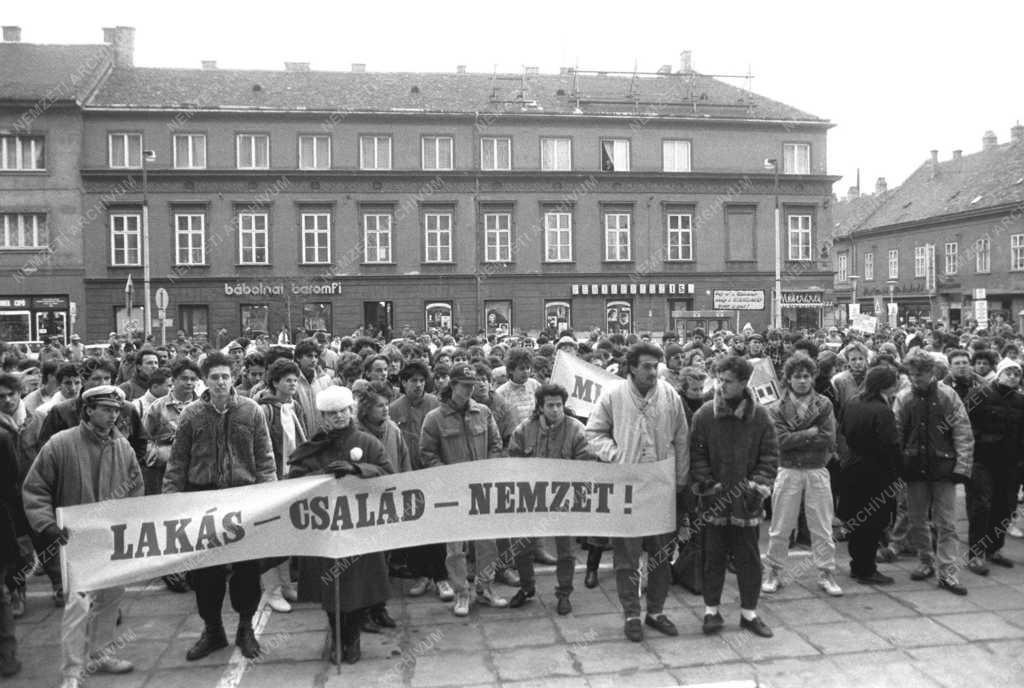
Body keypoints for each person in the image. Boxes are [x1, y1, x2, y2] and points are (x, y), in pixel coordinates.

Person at [23, 386, 143, 688]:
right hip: (75, 541)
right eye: (106, 408)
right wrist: (48, 525)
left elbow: (136, 487)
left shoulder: (123, 447)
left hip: (114, 539)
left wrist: (132, 522)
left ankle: (101, 655)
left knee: (112, 599)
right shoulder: (60, 444)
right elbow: (35, 489)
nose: (113, 414)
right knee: (78, 607)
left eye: (117, 410)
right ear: (88, 410)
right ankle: (72, 672)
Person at [164, 351, 276, 661]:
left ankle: (245, 629)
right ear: (205, 380)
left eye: (226, 376)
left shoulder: (251, 412)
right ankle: (212, 630)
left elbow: (265, 459)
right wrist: (171, 500)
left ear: (233, 376)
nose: (221, 382)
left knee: (247, 571)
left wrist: (268, 496)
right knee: (206, 574)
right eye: (215, 377)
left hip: (244, 499)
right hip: (204, 500)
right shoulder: (191, 415)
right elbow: (177, 461)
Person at [586, 342, 689, 642]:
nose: (652, 371)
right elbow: (593, 433)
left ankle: (655, 611)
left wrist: (680, 477)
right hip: (626, 485)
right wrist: (616, 456)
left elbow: (682, 437)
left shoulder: (669, 394)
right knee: (627, 556)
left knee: (660, 553)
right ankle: (631, 613)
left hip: (660, 484)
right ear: (631, 367)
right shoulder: (613, 394)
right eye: (646, 366)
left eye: (655, 366)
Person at [289, 386, 393, 664]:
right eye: (331, 413)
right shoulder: (313, 446)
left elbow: (388, 476)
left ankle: (353, 638)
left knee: (357, 590)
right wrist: (319, 476)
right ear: (323, 416)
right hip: (325, 531)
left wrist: (358, 470)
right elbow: (295, 480)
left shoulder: (368, 443)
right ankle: (336, 637)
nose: (338, 417)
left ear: (351, 411)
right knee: (330, 590)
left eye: (343, 411)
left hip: (360, 529)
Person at [690, 355, 778, 638]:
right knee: (712, 558)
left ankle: (749, 614)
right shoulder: (704, 415)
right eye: (719, 379)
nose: (721, 385)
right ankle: (711, 612)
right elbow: (697, 455)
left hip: (746, 504)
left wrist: (756, 488)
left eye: (728, 381)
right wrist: (709, 485)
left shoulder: (761, 416)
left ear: (743, 382)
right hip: (714, 502)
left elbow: (770, 456)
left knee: (749, 560)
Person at [420, 362, 509, 616]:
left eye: (473, 385)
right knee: (455, 548)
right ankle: (461, 592)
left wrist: (487, 471)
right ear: (453, 385)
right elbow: (427, 454)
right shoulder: (435, 418)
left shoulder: (483, 412)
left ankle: (486, 587)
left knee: (487, 542)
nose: (470, 389)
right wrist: (450, 477)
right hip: (452, 491)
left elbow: (495, 444)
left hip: (481, 488)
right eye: (465, 385)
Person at [507, 383, 597, 615]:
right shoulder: (525, 429)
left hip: (563, 499)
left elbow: (587, 463)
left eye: (559, 405)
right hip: (531, 497)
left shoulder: (577, 429)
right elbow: (513, 460)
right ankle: (527, 588)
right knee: (522, 547)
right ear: (540, 407)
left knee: (565, 551)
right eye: (550, 405)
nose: (555, 409)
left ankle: (564, 593)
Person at [894, 350, 973, 595]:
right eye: (912, 374)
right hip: (914, 468)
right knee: (917, 520)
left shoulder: (948, 396)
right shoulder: (904, 398)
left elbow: (962, 431)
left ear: (931, 372)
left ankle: (948, 571)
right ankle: (926, 559)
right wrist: (898, 465)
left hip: (943, 469)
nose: (915, 378)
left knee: (947, 523)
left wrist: (962, 466)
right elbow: (896, 433)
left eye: (920, 374)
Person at [763, 355, 842, 597]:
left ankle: (826, 572)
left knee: (822, 526)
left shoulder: (824, 404)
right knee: (780, 526)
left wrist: (796, 436)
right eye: (797, 376)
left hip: (817, 468)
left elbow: (828, 438)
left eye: (807, 376)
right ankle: (773, 571)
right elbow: (780, 441)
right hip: (787, 470)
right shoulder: (775, 407)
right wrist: (809, 432)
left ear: (813, 377)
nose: (802, 381)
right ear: (787, 379)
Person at [839, 366, 901, 584]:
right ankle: (867, 569)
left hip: (852, 468)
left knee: (857, 521)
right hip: (876, 473)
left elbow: (844, 430)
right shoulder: (883, 410)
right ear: (887, 384)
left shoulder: (853, 402)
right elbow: (890, 445)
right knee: (873, 523)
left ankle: (857, 565)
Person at [390, 362, 447, 599]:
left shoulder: (436, 404)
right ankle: (421, 575)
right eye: (413, 380)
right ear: (403, 383)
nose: (418, 384)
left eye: (422, 380)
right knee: (415, 529)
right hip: (408, 476)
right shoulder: (394, 409)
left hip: (433, 475)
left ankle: (442, 578)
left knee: (438, 527)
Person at [255, 358, 308, 612]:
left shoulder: (294, 406)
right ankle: (272, 590)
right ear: (275, 382)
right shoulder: (263, 410)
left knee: (287, 534)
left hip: (292, 477)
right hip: (271, 479)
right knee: (269, 537)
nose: (293, 384)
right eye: (288, 380)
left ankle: (286, 584)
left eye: (295, 380)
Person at [965, 357, 1024, 575]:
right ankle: (976, 553)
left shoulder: (1020, 401)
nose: (1012, 376)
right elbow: (965, 425)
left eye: (1016, 373)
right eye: (1008, 372)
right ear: (999, 374)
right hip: (982, 461)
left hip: (1010, 463)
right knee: (981, 506)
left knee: (1005, 507)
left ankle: (994, 549)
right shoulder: (980, 395)